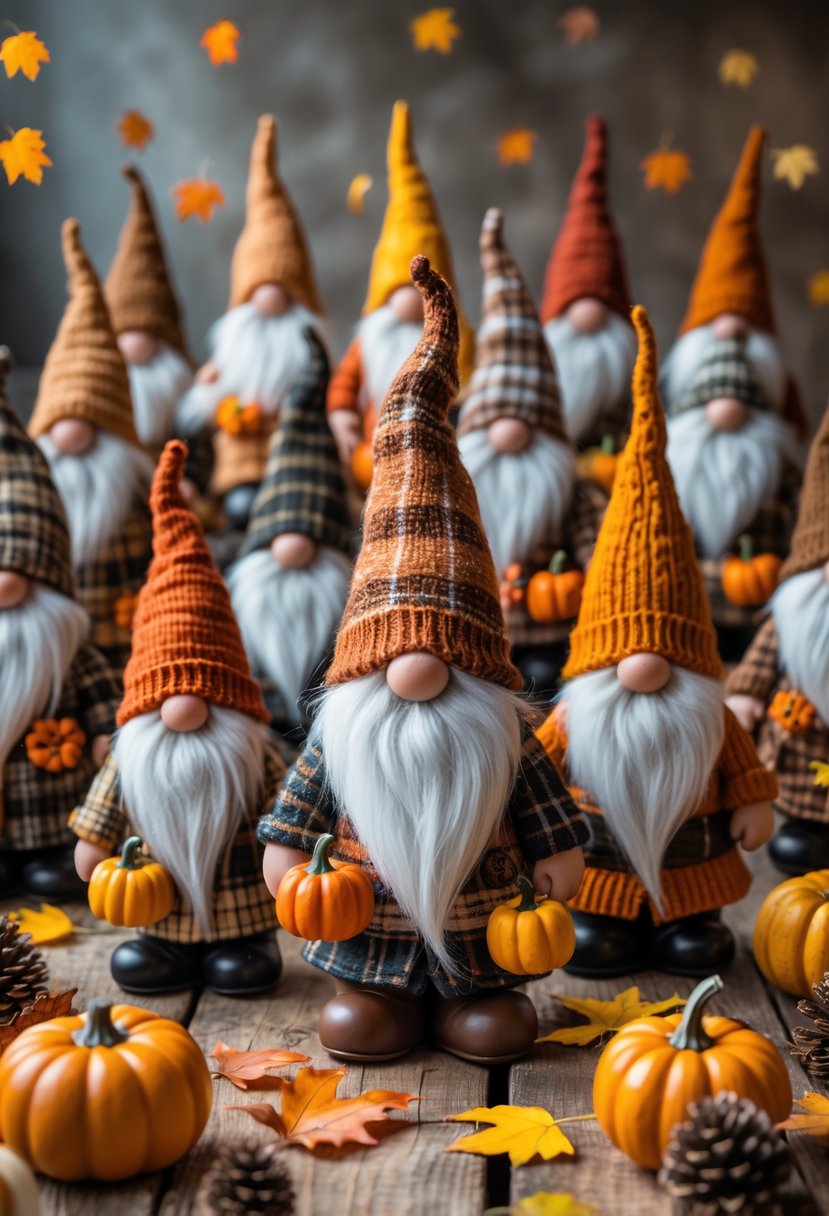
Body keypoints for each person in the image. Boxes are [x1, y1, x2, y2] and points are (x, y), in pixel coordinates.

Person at [259, 258, 586, 1065]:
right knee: (362, 1021)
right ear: (362, 662)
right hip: (366, 931)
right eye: (395, 653)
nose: (417, 671)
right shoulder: (342, 737)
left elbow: (546, 813)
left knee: (494, 1022)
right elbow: (296, 819)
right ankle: (379, 1001)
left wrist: (558, 856)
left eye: (441, 651)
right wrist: (289, 860)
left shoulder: (499, 738)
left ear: (476, 662)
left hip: (487, 937)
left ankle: (472, 1002)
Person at [539, 306, 777, 977]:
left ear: (694, 657)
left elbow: (740, 761)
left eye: (664, 654)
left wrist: (752, 799)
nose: (643, 667)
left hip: (691, 870)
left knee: (693, 944)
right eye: (623, 653)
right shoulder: (572, 718)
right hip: (598, 876)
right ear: (594, 657)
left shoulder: (709, 718)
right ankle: (604, 925)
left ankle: (690, 926)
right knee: (596, 940)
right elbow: (537, 770)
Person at [72, 441, 286, 996]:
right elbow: (102, 816)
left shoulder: (253, 754)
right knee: (142, 964)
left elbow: (285, 810)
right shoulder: (130, 757)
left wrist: (290, 849)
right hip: (158, 905)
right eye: (167, 693)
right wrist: (93, 850)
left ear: (233, 696)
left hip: (244, 909)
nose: (184, 708)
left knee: (242, 966)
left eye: (206, 693)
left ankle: (244, 945)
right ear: (143, 701)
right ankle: (165, 947)